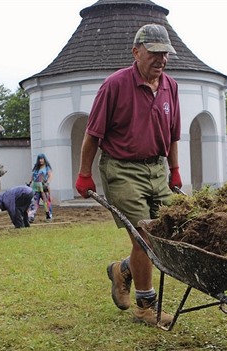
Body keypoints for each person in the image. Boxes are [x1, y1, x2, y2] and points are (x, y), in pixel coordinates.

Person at [75, 23, 182, 328]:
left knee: (167, 232)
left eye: (165, 54)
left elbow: (173, 135)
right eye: (155, 53)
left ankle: (122, 270)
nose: (161, 59)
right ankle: (146, 306)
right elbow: (93, 134)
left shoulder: (170, 87)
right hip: (121, 169)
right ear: (136, 52)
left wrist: (174, 170)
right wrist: (85, 174)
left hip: (157, 168)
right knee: (144, 234)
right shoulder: (114, 85)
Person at [27, 153, 54, 222]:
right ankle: (31, 216)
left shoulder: (47, 167)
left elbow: (50, 176)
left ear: (44, 159)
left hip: (43, 187)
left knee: (46, 202)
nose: (40, 160)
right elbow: (33, 176)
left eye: (42, 159)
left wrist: (47, 183)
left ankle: (49, 215)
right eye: (39, 159)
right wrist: (29, 182)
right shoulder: (36, 167)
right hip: (35, 187)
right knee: (34, 202)